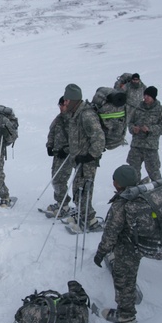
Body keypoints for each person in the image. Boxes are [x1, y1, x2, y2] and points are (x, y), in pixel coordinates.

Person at [92, 165, 147, 323]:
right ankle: (130, 293)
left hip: (127, 247)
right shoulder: (143, 193)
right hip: (141, 243)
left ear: (119, 183)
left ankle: (126, 316)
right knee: (130, 272)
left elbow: (110, 234)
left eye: (115, 179)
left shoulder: (121, 204)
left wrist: (100, 253)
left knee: (123, 279)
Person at [62, 84, 106, 231]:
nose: (65, 102)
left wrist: (90, 156)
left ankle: (89, 220)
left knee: (84, 190)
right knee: (77, 189)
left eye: (67, 100)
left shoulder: (86, 114)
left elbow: (99, 138)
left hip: (87, 162)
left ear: (74, 100)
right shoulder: (75, 113)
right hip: (79, 160)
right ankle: (81, 214)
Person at [126, 85, 162, 183]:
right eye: (145, 95)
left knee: (154, 172)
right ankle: (133, 192)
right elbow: (130, 123)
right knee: (133, 171)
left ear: (153, 97)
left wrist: (150, 129)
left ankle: (161, 191)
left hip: (150, 147)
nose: (145, 98)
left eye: (148, 96)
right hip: (136, 146)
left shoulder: (160, 110)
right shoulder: (137, 108)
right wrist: (133, 129)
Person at [45, 96, 73, 215]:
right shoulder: (59, 118)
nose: (61, 108)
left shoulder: (73, 119)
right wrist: (49, 145)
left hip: (68, 155)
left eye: (63, 105)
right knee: (55, 178)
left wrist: (66, 150)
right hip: (58, 154)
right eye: (60, 105)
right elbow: (52, 131)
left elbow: (77, 140)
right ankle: (60, 202)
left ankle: (64, 205)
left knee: (60, 180)